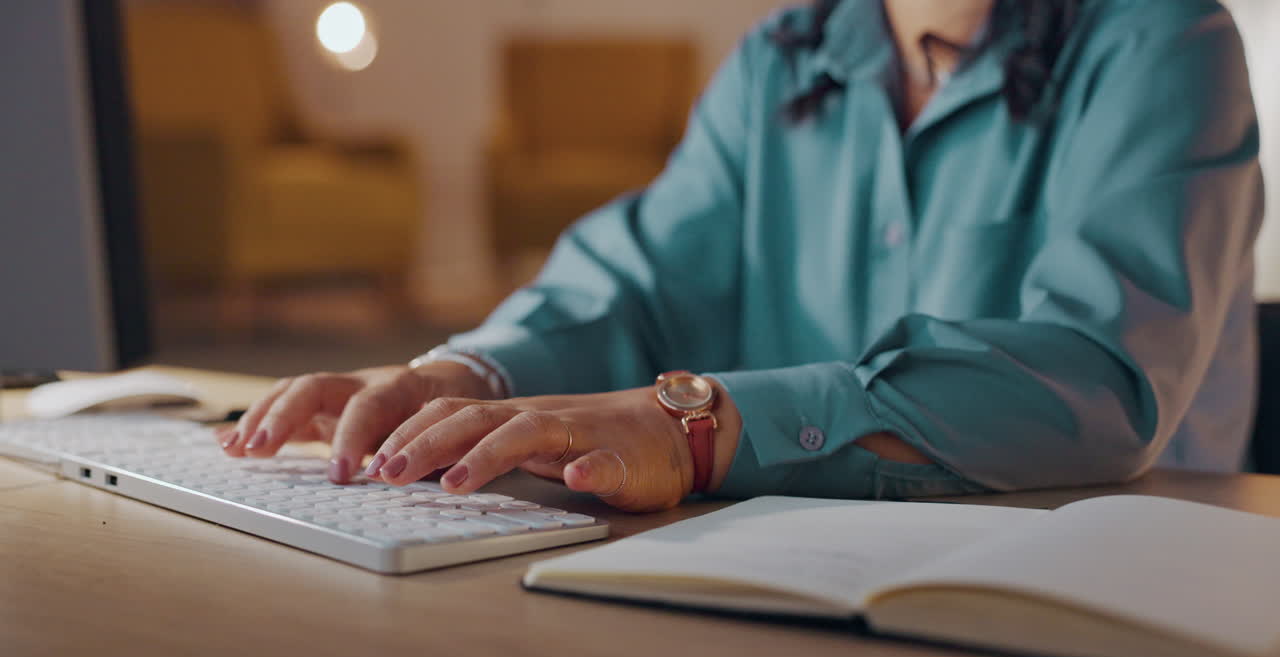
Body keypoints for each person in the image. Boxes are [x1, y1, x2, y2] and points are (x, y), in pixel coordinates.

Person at [219, 0, 1263, 513]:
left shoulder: (1163, 41)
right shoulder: (783, 57)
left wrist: (703, 423)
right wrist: (461, 375)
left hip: (1101, 595)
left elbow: (1093, 379)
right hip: (799, 568)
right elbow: (631, 277)